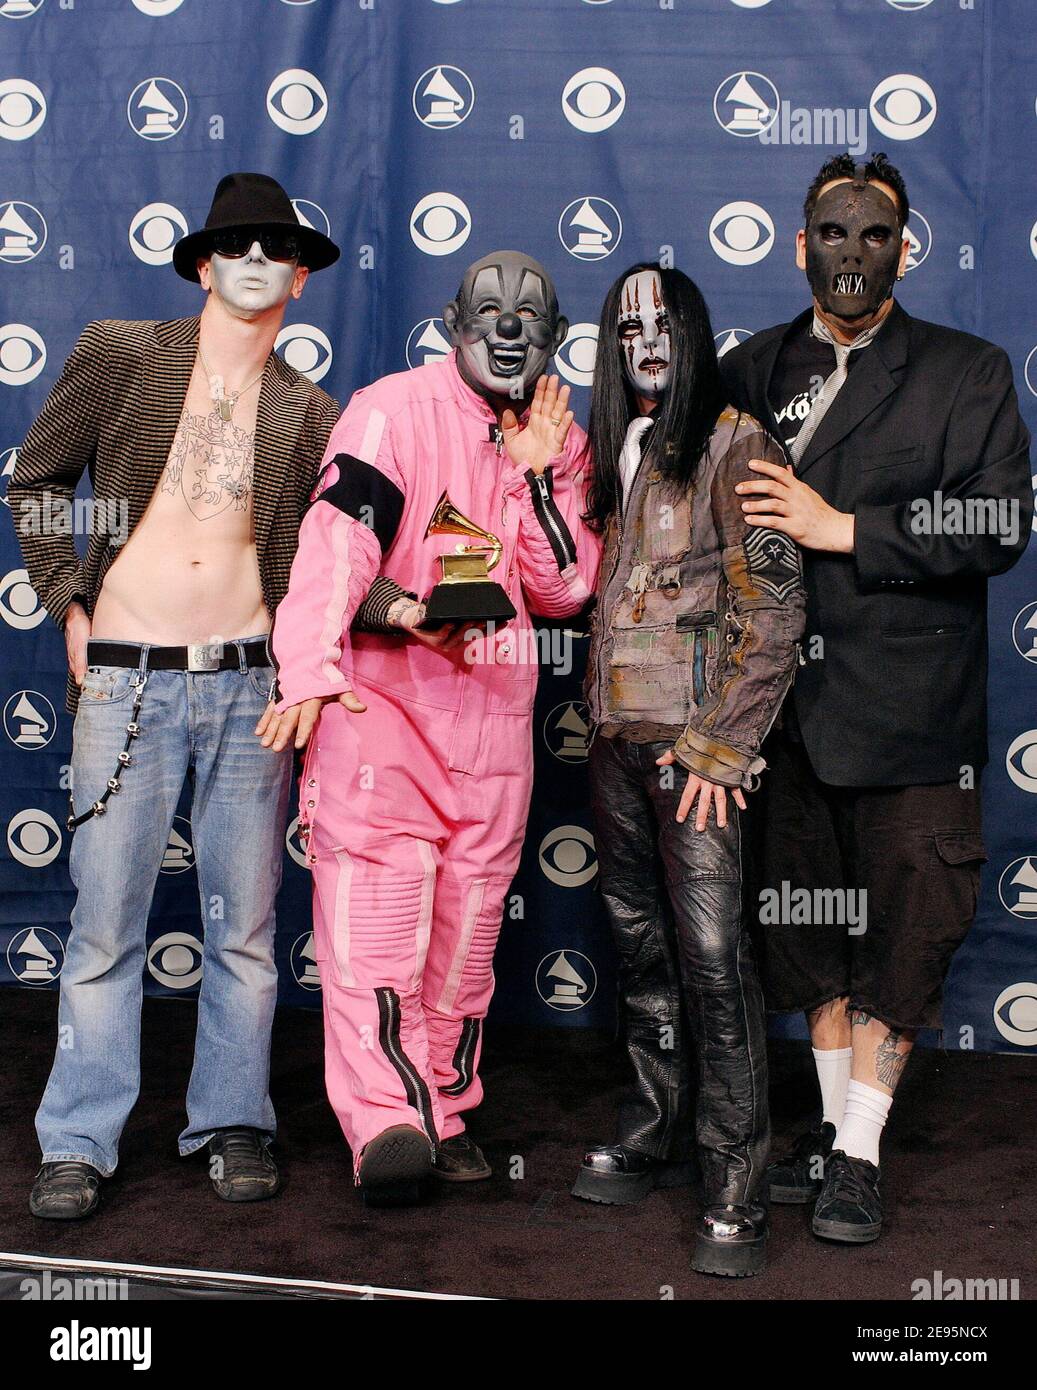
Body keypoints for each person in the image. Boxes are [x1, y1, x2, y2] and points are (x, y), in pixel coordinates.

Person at [9, 172, 349, 1219]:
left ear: (300, 273)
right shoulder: (123, 354)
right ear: (203, 262)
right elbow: (34, 478)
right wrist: (68, 598)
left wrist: (452, 598)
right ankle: (77, 1136)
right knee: (106, 925)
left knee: (244, 930)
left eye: (273, 245)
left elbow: (332, 564)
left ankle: (235, 1119)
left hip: (251, 687)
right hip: (125, 679)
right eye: (234, 242)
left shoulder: (311, 409)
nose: (253, 259)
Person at [720, 153, 1032, 1244]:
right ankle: (824, 1127)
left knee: (902, 935)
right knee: (809, 935)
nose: (849, 253)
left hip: (908, 720)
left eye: (872, 233)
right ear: (797, 241)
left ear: (903, 245)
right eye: (829, 232)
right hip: (782, 718)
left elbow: (996, 529)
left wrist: (840, 529)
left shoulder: (967, 370)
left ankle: (857, 1152)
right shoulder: (752, 367)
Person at [261, 250, 601, 1204]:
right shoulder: (390, 409)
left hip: (493, 731)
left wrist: (536, 478)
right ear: (454, 320)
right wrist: (311, 667)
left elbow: (566, 588)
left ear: (553, 336)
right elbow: (335, 542)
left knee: (465, 942)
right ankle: (384, 1122)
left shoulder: (556, 438)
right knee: (378, 930)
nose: (507, 329)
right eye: (488, 310)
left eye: (528, 316)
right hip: (385, 721)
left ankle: (442, 1107)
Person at [572, 263, 805, 1278]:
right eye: (628, 332)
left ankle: (733, 1174)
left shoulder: (735, 439)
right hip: (615, 741)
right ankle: (655, 1123)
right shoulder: (609, 449)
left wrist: (721, 744)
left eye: (664, 327)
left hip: (691, 751)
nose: (647, 345)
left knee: (713, 961)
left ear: (692, 335)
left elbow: (778, 603)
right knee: (637, 947)